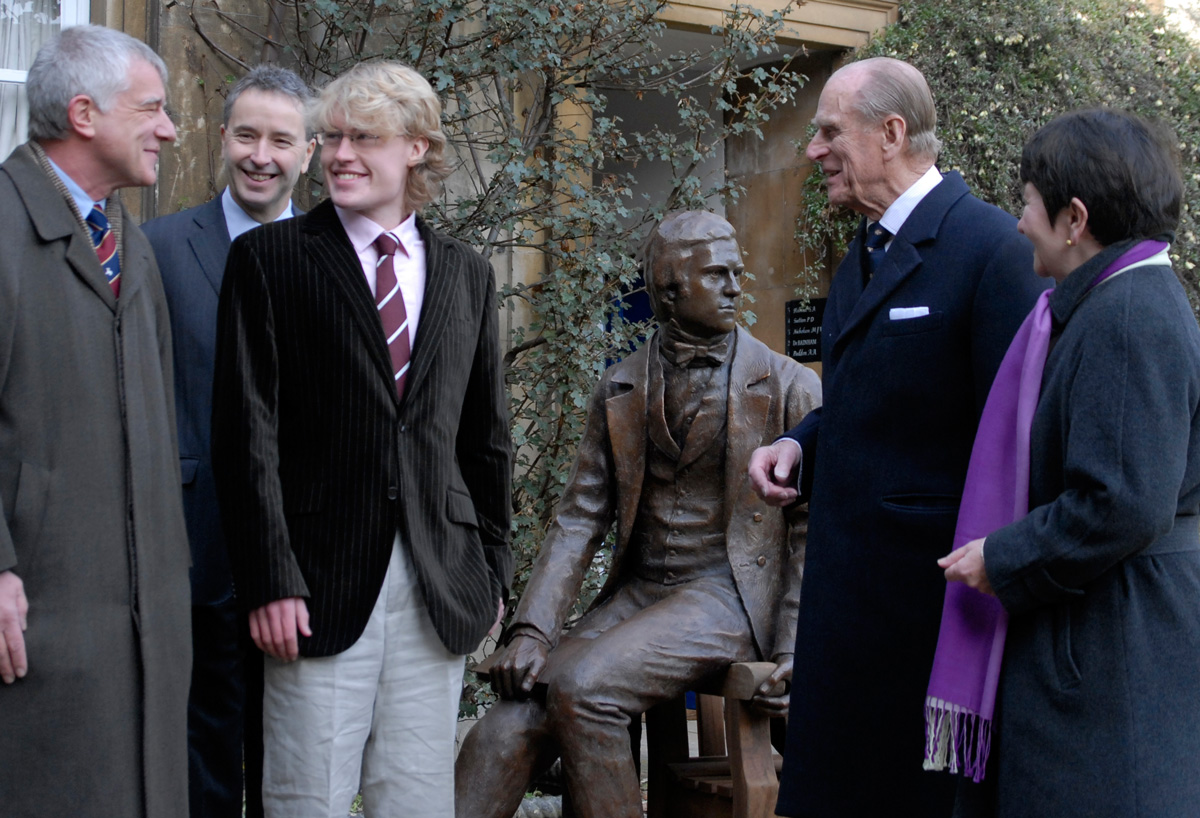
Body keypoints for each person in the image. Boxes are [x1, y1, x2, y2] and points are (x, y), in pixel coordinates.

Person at [210, 60, 511, 818]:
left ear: (416, 147)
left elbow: (485, 443)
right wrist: (270, 578)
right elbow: (246, 434)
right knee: (305, 800)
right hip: (314, 587)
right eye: (332, 136)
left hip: (437, 584)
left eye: (363, 137)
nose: (339, 153)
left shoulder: (467, 274)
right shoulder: (270, 259)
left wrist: (493, 574)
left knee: (415, 802)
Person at [746, 57, 1046, 817]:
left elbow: (1018, 439)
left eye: (828, 131)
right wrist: (802, 444)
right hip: (845, 608)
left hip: (929, 615)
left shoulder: (992, 251)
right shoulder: (865, 250)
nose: (813, 150)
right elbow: (868, 400)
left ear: (891, 133)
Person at [454, 211, 821, 818]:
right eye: (717, 274)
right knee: (508, 720)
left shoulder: (788, 386)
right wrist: (531, 631)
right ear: (671, 291)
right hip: (641, 592)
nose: (736, 286)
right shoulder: (619, 386)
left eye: (737, 272)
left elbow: (812, 532)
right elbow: (578, 518)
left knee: (585, 689)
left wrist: (794, 648)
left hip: (728, 594)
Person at [935, 108, 1200, 818]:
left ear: (1073, 217)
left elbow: (1123, 502)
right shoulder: (1118, 302)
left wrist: (1002, 556)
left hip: (1114, 656)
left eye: (1025, 201)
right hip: (1106, 643)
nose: (1019, 221)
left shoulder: (1128, 316)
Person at [0, 24, 190, 818]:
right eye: (152, 108)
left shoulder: (131, 246)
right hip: (43, 614)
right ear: (84, 114)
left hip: (142, 621)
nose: (171, 129)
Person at [142, 64, 315, 818]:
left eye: (282, 140)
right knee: (202, 762)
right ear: (222, 139)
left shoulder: (336, 258)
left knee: (296, 767)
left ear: (308, 153)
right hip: (193, 546)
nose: (261, 155)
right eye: (247, 134)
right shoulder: (158, 248)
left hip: (306, 562)